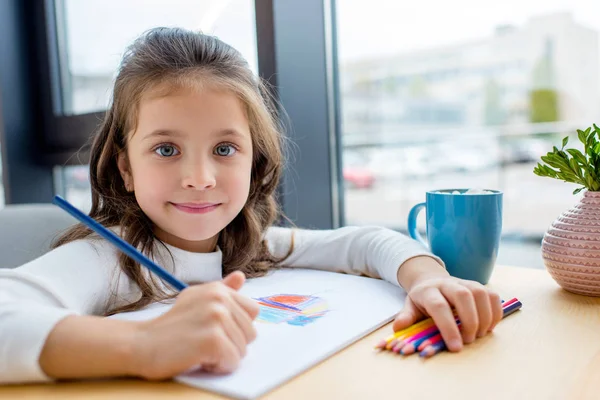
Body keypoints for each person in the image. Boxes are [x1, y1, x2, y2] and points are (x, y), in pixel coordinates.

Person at [0, 27, 502, 384]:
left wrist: (429, 279)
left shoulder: (248, 245)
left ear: (254, 161)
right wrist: (145, 347)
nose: (199, 178)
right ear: (125, 168)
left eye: (224, 149)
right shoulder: (108, 261)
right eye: (166, 149)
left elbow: (365, 242)